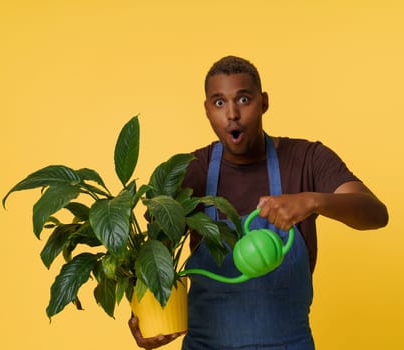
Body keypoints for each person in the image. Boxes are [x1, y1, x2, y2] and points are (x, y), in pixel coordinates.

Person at [129, 55, 389, 349]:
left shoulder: (307, 159)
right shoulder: (190, 171)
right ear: (206, 110)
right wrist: (148, 319)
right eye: (219, 103)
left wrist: (313, 201)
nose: (232, 115)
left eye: (243, 100)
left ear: (263, 102)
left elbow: (376, 214)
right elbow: (152, 258)